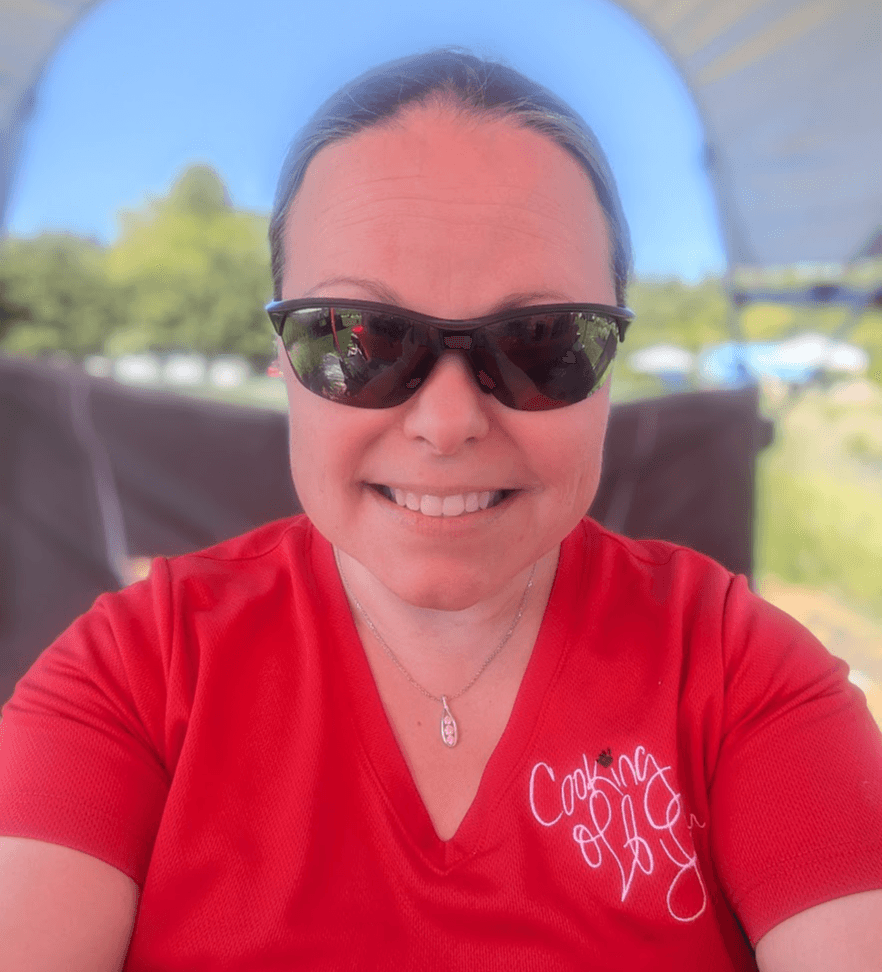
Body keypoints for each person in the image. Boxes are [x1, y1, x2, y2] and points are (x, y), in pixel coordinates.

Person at [0, 48, 880, 972]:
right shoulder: (133, 675)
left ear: (609, 364)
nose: (448, 422)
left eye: (541, 341)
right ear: (283, 360)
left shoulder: (742, 677)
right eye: (358, 339)